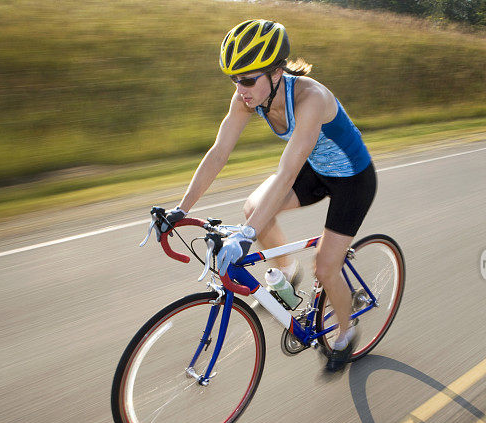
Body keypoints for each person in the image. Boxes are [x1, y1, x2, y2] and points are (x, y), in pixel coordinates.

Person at [160, 19, 376, 372]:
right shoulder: (249, 97)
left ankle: (347, 331)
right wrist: (181, 209)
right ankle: (287, 272)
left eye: (247, 78)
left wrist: (245, 236)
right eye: (233, 79)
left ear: (276, 72)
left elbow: (287, 171)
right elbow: (218, 152)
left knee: (325, 265)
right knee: (253, 208)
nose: (240, 88)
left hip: (352, 178)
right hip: (315, 170)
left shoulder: (311, 98)